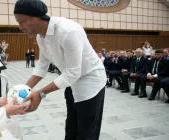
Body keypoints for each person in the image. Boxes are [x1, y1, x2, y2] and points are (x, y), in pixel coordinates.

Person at [14, 0, 106, 139]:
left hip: (90, 82)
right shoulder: (41, 37)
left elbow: (73, 72)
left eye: (22, 22)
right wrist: (22, 91)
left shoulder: (68, 31)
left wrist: (40, 93)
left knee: (86, 133)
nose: (20, 27)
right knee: (71, 129)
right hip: (72, 83)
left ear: (36, 17)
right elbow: (41, 67)